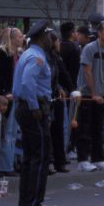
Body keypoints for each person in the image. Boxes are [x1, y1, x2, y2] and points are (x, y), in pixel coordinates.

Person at [12, 21, 54, 206]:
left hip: (26, 108)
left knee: (30, 158)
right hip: (33, 109)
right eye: (47, 36)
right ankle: (35, 204)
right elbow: (28, 82)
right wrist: (35, 107)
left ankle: (25, 205)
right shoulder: (37, 56)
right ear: (41, 37)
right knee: (41, 156)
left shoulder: (29, 54)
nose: (50, 39)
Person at [76, 21, 104, 172]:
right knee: (84, 127)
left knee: (98, 127)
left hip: (101, 95)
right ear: (99, 33)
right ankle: (82, 160)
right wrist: (93, 94)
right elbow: (87, 71)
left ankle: (98, 158)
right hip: (87, 94)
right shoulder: (90, 48)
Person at [46, 31, 72, 173]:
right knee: (48, 131)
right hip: (47, 97)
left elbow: (63, 75)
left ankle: (59, 161)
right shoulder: (44, 58)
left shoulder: (56, 58)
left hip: (57, 97)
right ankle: (49, 161)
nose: (59, 44)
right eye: (57, 41)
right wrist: (58, 87)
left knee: (58, 130)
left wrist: (69, 89)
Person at [0, 27, 24, 177]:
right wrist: (4, 92)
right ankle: (4, 165)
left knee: (12, 131)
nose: (22, 39)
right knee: (7, 132)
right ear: (12, 38)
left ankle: (8, 163)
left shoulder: (17, 55)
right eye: (20, 36)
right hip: (7, 96)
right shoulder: (3, 53)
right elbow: (1, 75)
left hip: (14, 96)